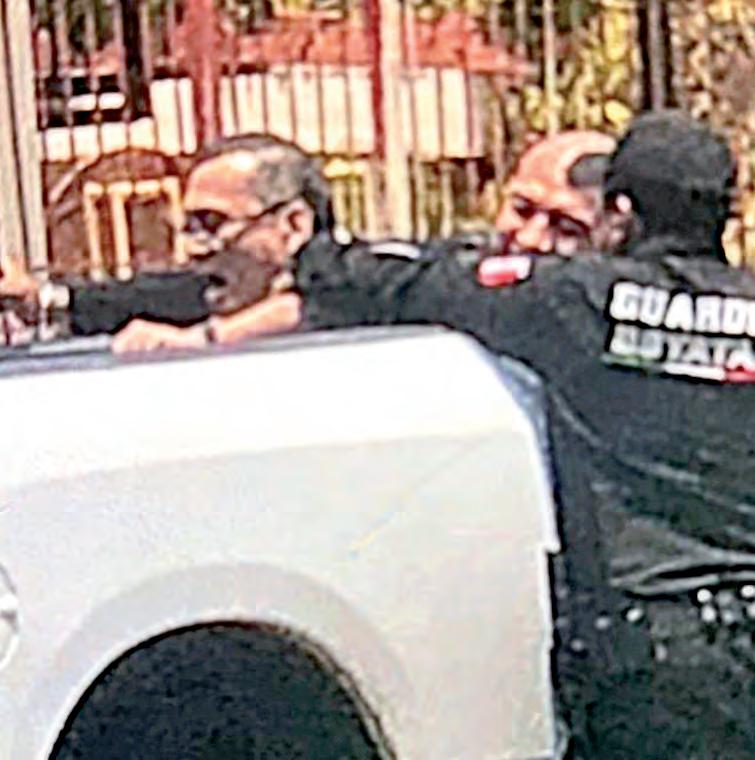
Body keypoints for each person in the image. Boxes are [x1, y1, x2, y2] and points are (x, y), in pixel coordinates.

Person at [292, 111, 755, 759]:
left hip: (657, 660)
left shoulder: (573, 300)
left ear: (620, 213)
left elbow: (397, 280)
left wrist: (311, 255)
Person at [0, 130, 614, 352]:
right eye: (520, 209)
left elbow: (337, 293)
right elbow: (169, 296)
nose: (530, 238)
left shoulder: (399, 290)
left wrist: (201, 342)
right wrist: (43, 301)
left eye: (565, 228)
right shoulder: (453, 267)